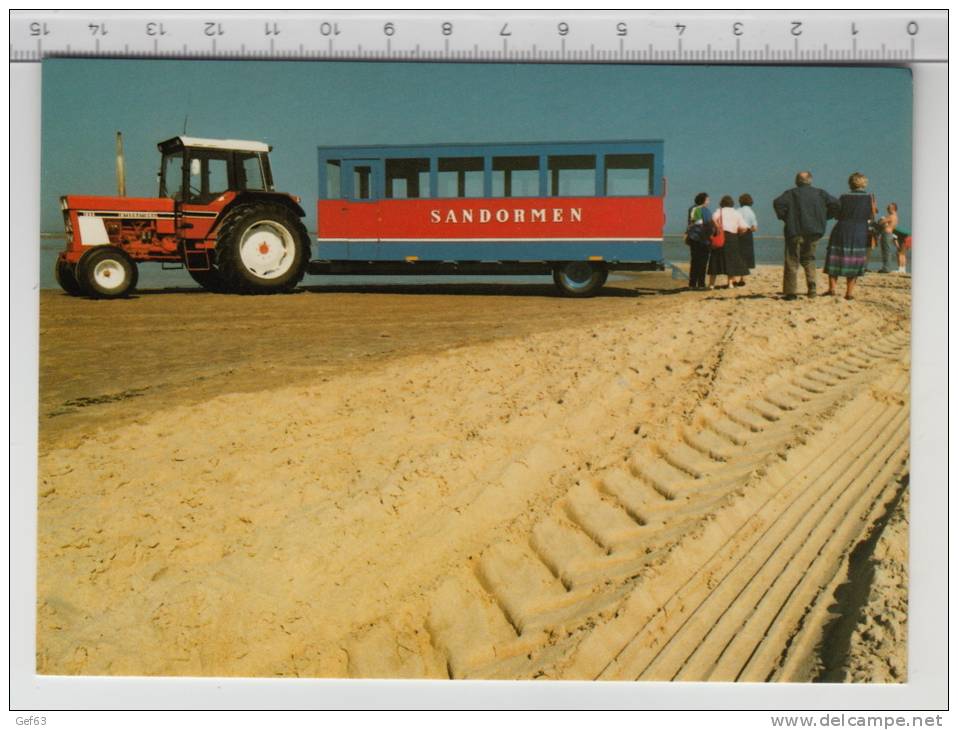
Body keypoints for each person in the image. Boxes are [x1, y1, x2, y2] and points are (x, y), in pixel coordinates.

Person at [773, 171, 839, 300]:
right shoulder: (820, 193)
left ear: (797, 181)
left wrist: (785, 217)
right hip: (814, 230)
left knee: (792, 260)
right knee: (809, 259)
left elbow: (777, 203)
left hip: (795, 230)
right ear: (810, 180)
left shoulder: (791, 193)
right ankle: (812, 288)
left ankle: (791, 292)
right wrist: (825, 217)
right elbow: (836, 204)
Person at [823, 172, 876, 300]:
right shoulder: (870, 197)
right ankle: (849, 292)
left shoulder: (843, 197)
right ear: (864, 183)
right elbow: (872, 215)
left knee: (835, 257)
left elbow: (837, 214)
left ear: (850, 183)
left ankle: (832, 289)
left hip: (842, 228)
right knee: (855, 259)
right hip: (859, 230)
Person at [707, 195, 750, 290]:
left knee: (715, 259)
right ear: (732, 203)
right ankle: (730, 284)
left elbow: (713, 218)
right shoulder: (736, 213)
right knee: (731, 260)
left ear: (722, 203)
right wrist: (739, 233)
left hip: (720, 236)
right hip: (732, 237)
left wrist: (718, 226)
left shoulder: (719, 211)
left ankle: (711, 284)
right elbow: (744, 227)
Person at [685, 192, 713, 290]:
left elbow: (690, 223)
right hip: (703, 238)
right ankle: (701, 284)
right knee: (703, 262)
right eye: (708, 200)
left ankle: (692, 284)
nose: (709, 202)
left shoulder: (692, 209)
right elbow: (708, 225)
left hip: (693, 237)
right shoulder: (705, 210)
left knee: (694, 261)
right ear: (704, 200)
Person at [876, 202, 899, 274]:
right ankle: (886, 267)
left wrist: (881, 220)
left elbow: (881, 222)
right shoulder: (895, 216)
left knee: (886, 251)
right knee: (886, 250)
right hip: (889, 233)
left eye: (888, 208)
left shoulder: (891, 216)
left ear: (893, 208)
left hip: (887, 233)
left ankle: (886, 268)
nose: (887, 209)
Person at [737, 193, 758, 271]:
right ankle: (743, 278)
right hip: (748, 234)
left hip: (738, 233)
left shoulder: (737, 210)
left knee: (738, 255)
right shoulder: (751, 212)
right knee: (746, 256)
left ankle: (736, 276)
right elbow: (755, 228)